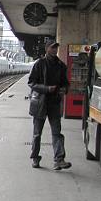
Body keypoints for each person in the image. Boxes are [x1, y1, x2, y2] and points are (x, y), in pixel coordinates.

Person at [28, 38, 71, 170]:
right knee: (37, 134)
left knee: (57, 133)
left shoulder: (61, 65)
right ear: (47, 49)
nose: (55, 49)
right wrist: (46, 89)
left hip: (54, 103)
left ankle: (59, 160)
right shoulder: (39, 64)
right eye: (52, 47)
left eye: (56, 47)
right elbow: (31, 83)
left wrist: (64, 89)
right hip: (40, 103)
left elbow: (65, 83)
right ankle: (35, 157)